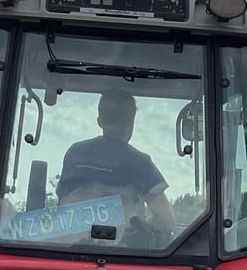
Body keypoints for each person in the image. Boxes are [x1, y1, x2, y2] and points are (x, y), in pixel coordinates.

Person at [56, 91, 175, 232]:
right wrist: (141, 227)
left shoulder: (74, 153)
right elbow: (168, 223)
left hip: (70, 247)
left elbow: (62, 204)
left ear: (99, 120)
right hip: (123, 249)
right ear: (131, 123)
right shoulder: (141, 162)